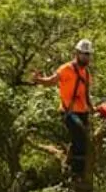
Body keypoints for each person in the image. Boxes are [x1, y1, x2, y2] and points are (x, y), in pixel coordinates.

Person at [32, 39, 95, 176]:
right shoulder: (66, 69)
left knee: (84, 142)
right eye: (84, 54)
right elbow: (51, 81)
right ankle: (76, 173)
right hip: (69, 111)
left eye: (88, 54)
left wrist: (93, 108)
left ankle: (72, 166)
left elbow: (86, 94)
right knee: (80, 137)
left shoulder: (86, 73)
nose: (86, 57)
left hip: (83, 112)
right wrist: (39, 80)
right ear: (77, 53)